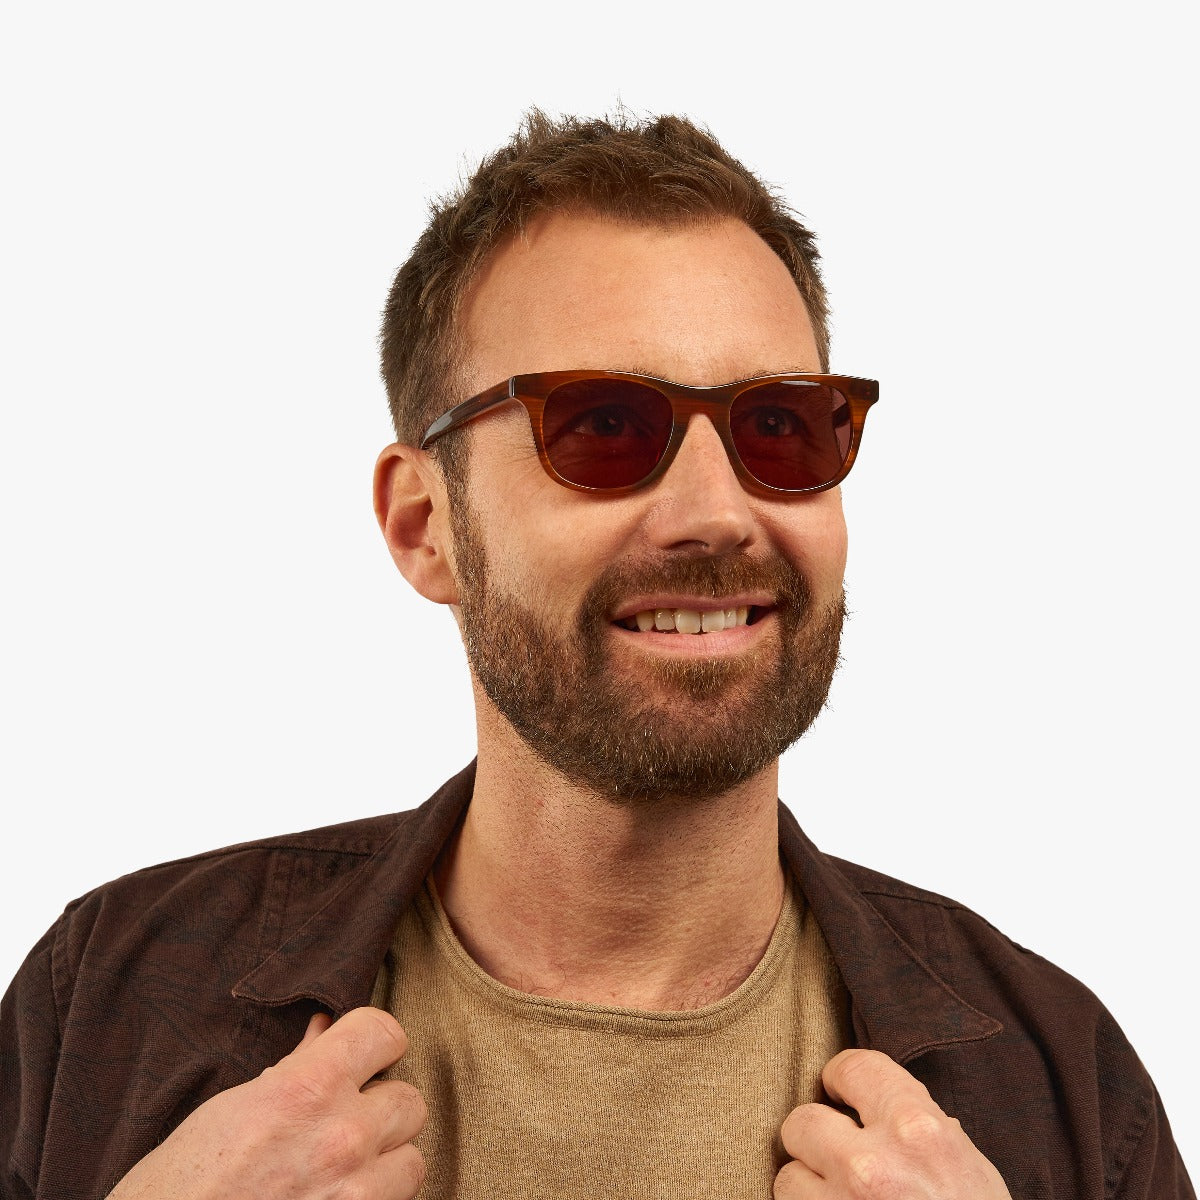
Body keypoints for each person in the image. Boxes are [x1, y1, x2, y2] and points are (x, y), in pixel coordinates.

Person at [1, 110, 1191, 1200]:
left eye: (780, 427)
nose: (717, 513)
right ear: (424, 526)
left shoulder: (1060, 1083)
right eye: (606, 427)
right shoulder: (106, 998)